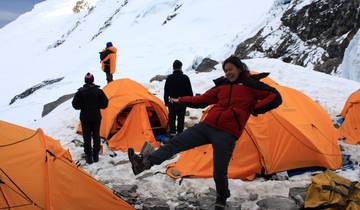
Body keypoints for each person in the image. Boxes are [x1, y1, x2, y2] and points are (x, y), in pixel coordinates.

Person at [128, 55, 282, 210]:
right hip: (207, 126)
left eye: (231, 69)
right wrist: (181, 100)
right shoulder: (221, 86)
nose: (228, 73)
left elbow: (275, 97)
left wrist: (255, 108)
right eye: (226, 70)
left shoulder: (251, 85)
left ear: (239, 68)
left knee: (219, 170)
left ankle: (222, 197)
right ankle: (145, 163)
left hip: (226, 134)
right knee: (175, 142)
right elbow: (202, 100)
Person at [72, 72, 109, 164]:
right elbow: (105, 104)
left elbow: (75, 105)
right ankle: (95, 156)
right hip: (96, 117)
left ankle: (89, 157)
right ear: (93, 80)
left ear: (85, 81)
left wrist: (82, 106)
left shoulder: (80, 92)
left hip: (85, 118)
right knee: (96, 135)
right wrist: (97, 105)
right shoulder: (98, 91)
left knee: (87, 136)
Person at [163, 60, 193, 135]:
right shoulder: (185, 78)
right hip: (182, 102)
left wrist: (166, 102)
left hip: (172, 102)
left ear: (173, 67)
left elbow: (166, 91)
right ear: (181, 67)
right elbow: (189, 91)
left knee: (172, 118)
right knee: (181, 119)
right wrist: (189, 101)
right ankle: (180, 134)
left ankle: (172, 133)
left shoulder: (169, 78)